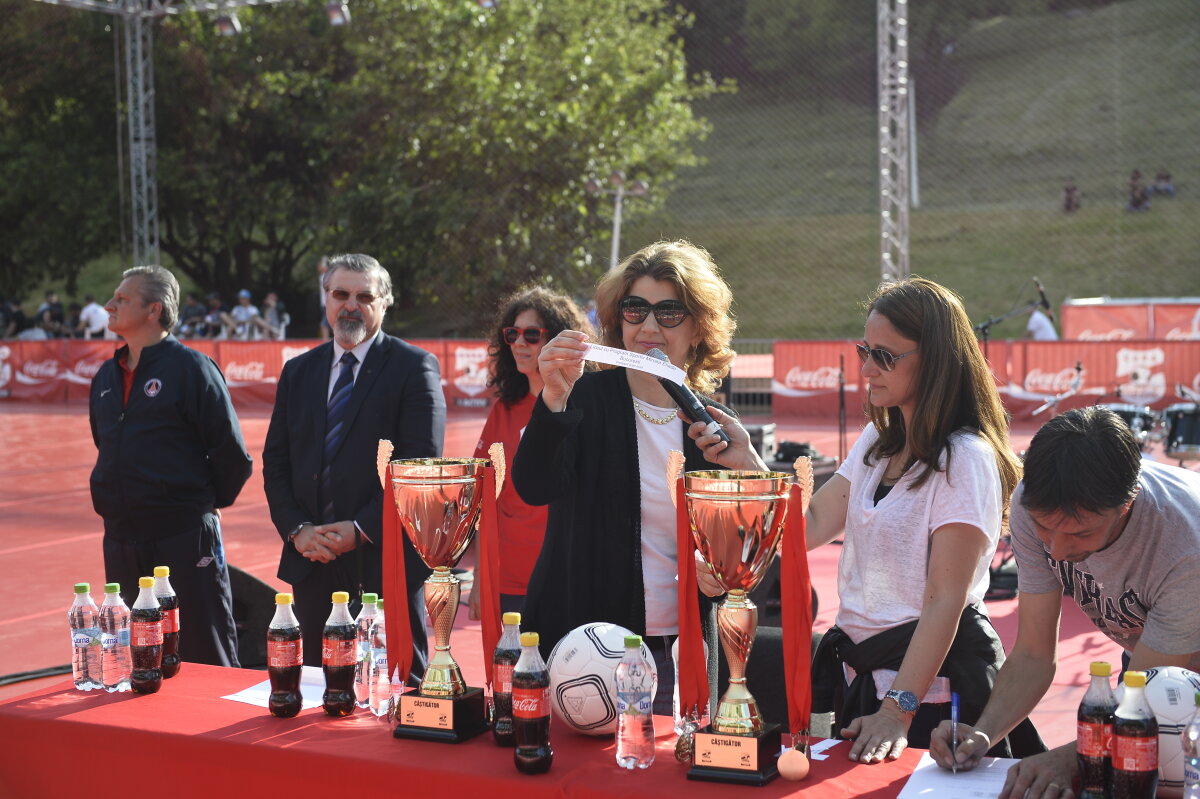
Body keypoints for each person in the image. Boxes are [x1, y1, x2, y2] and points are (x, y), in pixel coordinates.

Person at [712, 277, 1042, 764]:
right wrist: (748, 461)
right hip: (869, 679)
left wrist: (898, 709)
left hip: (933, 691)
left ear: (936, 360)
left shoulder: (965, 458)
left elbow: (945, 601)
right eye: (865, 350)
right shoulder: (877, 438)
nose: (866, 368)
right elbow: (810, 524)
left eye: (885, 356)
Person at [512, 239, 737, 714]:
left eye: (670, 312)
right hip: (585, 643)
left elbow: (745, 542)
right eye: (635, 310)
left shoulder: (717, 424)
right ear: (618, 322)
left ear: (699, 329)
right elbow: (533, 486)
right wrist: (553, 398)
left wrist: (722, 569)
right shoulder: (581, 397)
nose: (650, 326)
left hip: (683, 645)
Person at [930, 406, 1200, 798]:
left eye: (1080, 534)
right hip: (1155, 668)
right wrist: (982, 735)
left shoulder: (1184, 547)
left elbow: (1146, 703)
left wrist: (1070, 758)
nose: (1056, 549)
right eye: (1045, 529)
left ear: (1126, 506)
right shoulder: (1033, 503)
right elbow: (1034, 655)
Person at [262, 253, 446, 672]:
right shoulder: (298, 372)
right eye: (340, 293)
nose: (351, 305)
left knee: (394, 684)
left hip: (383, 562)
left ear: (385, 302)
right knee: (315, 685)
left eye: (365, 296)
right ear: (324, 299)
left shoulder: (414, 367)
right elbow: (276, 461)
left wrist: (361, 529)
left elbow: (419, 467)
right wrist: (297, 530)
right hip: (311, 560)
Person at [89, 265, 252, 667]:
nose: (109, 305)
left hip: (183, 534)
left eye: (122, 299)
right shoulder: (106, 376)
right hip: (123, 536)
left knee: (203, 644)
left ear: (153, 309)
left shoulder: (192, 369)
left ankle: (218, 729)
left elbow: (232, 454)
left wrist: (196, 504)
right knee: (138, 652)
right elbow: (107, 444)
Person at [468, 287, 592, 620]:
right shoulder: (503, 410)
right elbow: (484, 500)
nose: (519, 343)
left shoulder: (587, 407)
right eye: (512, 334)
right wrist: (481, 576)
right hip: (512, 576)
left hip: (573, 574)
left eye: (532, 335)